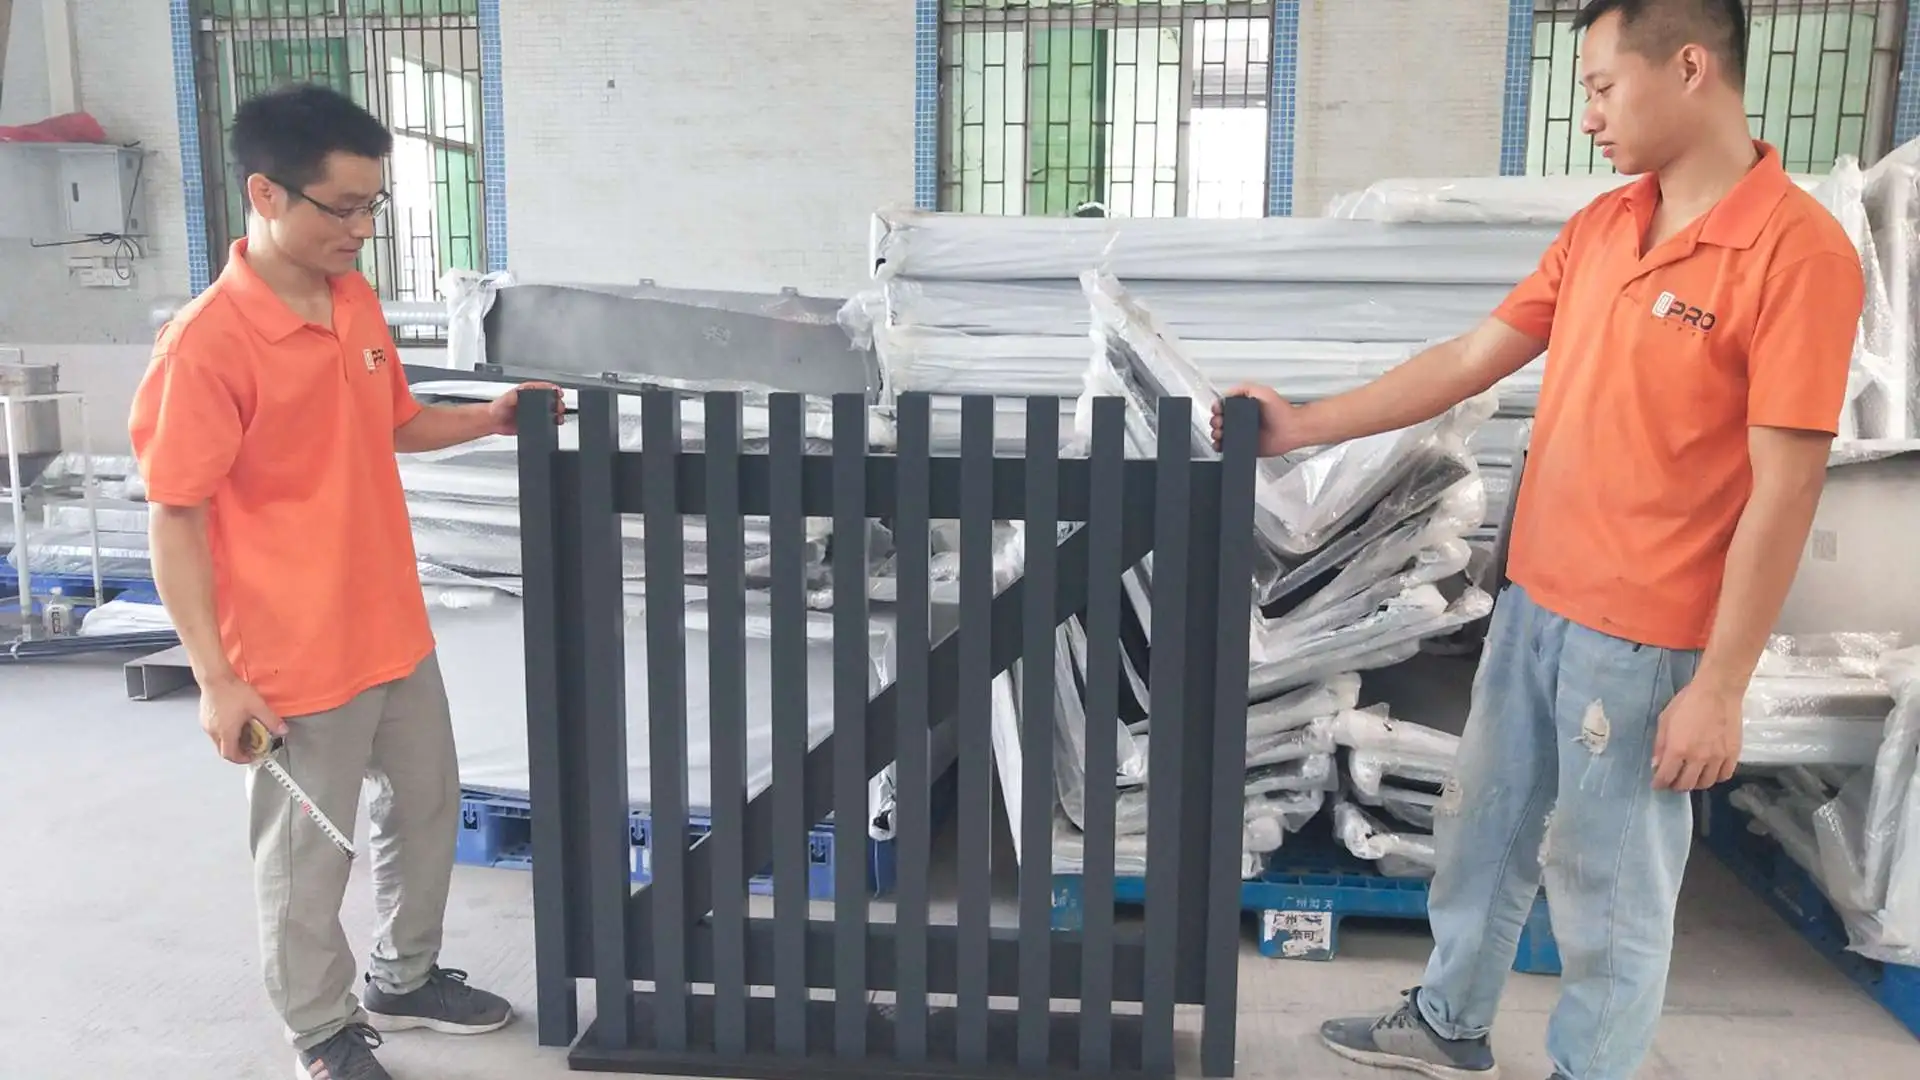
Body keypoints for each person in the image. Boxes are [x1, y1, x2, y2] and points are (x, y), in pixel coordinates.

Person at [1212, 2, 1863, 1078]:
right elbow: (1473, 356)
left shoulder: (1796, 254)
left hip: (1648, 641)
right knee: (1482, 836)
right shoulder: (1606, 227)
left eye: (1605, 86)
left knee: (1607, 888)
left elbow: (1786, 492)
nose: (1590, 114)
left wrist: (1723, 686)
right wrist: (1305, 423)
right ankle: (1449, 1023)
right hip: (1536, 603)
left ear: (1690, 66)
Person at [131, 84, 561, 1080]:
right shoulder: (206, 347)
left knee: (425, 809)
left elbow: (394, 422)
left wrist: (491, 416)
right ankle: (321, 1031)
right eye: (345, 208)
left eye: (375, 207)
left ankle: (405, 978)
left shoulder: (350, 298)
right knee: (305, 856)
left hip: (390, 627)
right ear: (266, 195)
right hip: (288, 654)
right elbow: (176, 517)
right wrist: (215, 678)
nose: (364, 230)